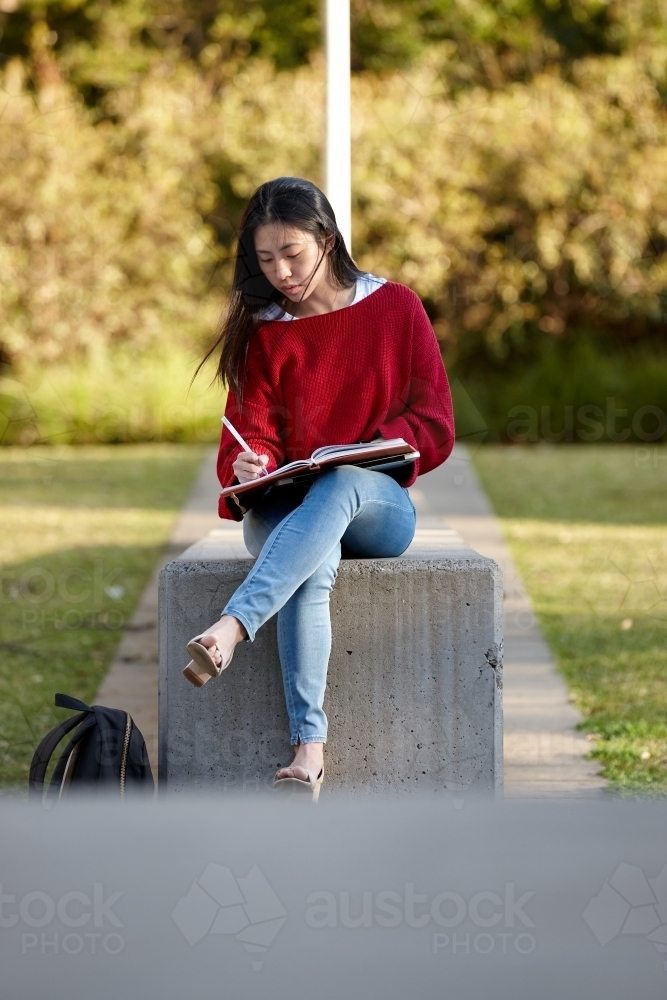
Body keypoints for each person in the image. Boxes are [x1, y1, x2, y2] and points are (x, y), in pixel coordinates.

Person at [184, 176, 454, 800]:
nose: (281, 272)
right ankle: (309, 751)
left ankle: (228, 628)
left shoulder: (396, 308)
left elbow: (436, 420)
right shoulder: (264, 331)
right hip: (286, 506)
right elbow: (248, 437)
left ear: (327, 240)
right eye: (265, 260)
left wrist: (372, 449)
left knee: (337, 484)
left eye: (293, 254)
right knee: (313, 562)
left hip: (376, 503)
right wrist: (251, 463)